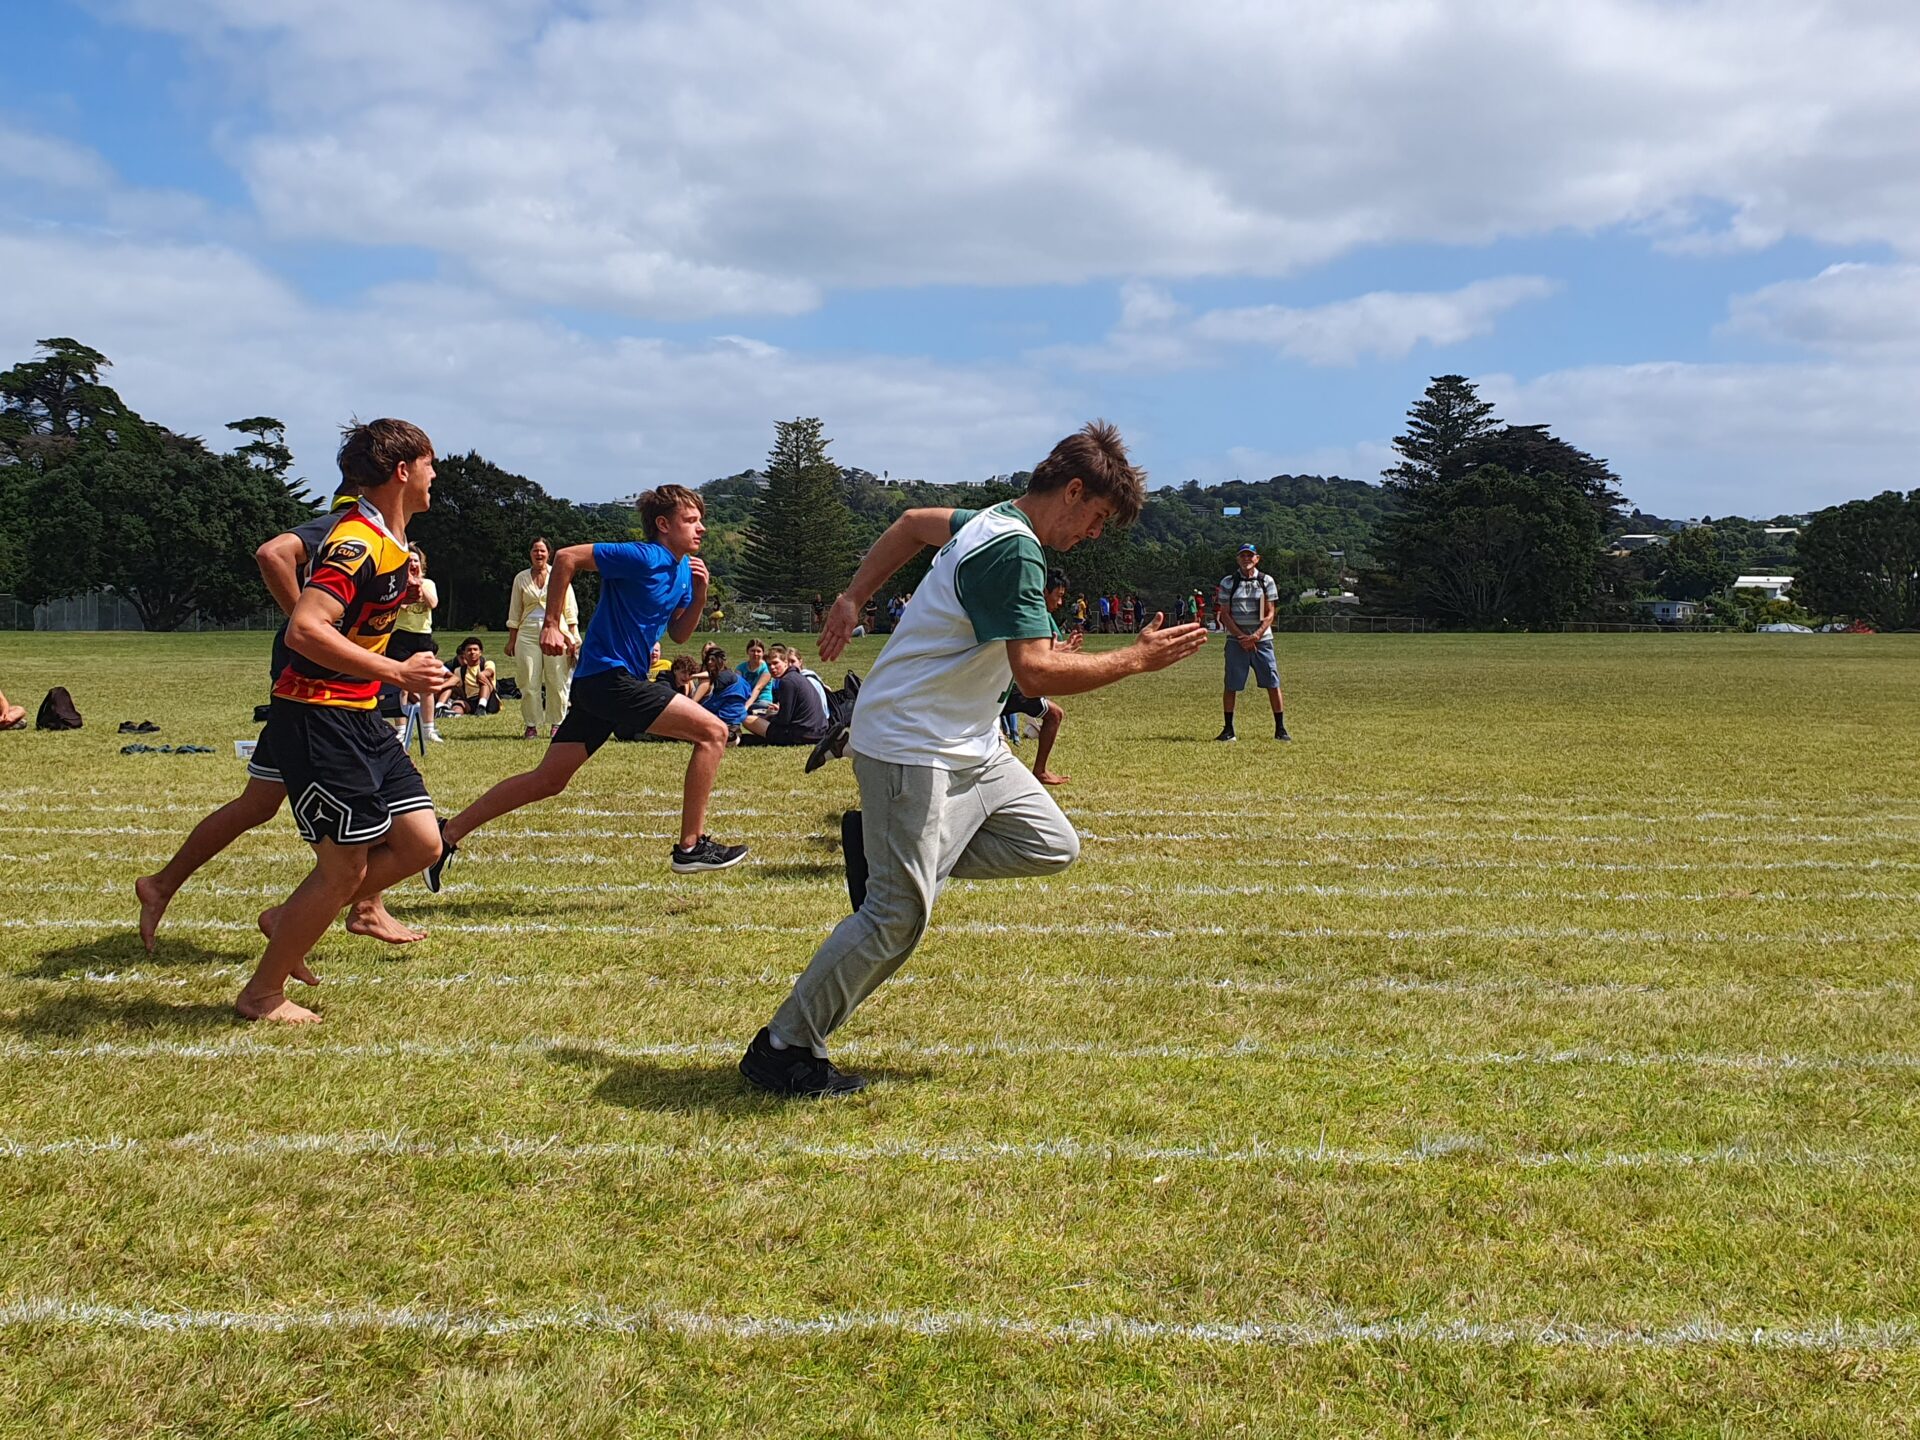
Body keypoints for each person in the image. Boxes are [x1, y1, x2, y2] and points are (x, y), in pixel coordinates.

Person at [739, 420, 1208, 1096]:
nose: (1095, 534)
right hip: (912, 743)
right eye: (1098, 517)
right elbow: (1038, 671)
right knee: (898, 918)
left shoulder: (987, 519)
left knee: (1052, 843)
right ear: (1073, 491)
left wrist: (854, 596)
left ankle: (886, 853)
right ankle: (783, 1047)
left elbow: (908, 524)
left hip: (972, 743)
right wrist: (1136, 659)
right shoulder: (1015, 554)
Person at [134, 477, 421, 954]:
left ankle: (162, 884)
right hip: (319, 690)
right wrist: (311, 622)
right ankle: (339, 911)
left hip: (324, 687)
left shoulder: (384, 533)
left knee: (259, 802)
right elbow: (272, 554)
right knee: (355, 809)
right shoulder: (346, 529)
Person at [426, 485, 747, 886]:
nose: (701, 527)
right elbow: (566, 558)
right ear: (663, 525)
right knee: (715, 732)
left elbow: (680, 634)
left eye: (701, 519)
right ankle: (690, 847)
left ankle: (446, 835)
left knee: (548, 779)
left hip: (608, 683)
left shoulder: (684, 570)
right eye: (691, 520)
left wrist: (699, 593)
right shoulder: (643, 555)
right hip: (608, 678)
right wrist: (550, 624)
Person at [235, 418, 447, 1023]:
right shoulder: (358, 541)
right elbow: (306, 627)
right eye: (431, 465)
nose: (436, 478)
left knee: (420, 842)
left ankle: (291, 919)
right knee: (344, 865)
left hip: (358, 717)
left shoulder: (389, 540)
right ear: (404, 471)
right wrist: (398, 674)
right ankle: (262, 994)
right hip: (319, 718)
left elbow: (349, 618)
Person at [506, 537, 580, 739]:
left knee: (557, 678)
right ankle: (531, 725)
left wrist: (573, 637)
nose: (538, 554)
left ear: (549, 554)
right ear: (530, 553)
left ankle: (557, 723)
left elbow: (569, 609)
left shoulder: (559, 575)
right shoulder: (521, 578)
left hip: (557, 631)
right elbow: (515, 610)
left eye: (542, 551)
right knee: (528, 680)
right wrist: (512, 639)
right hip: (528, 632)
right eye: (535, 550)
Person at [1215, 542, 1290, 743]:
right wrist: (1241, 637)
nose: (1246, 559)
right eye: (1243, 556)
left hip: (1262, 641)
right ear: (1237, 559)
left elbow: (1270, 612)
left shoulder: (1266, 581)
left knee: (1273, 683)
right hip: (1236, 641)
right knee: (1231, 685)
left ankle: (1280, 729)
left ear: (1257, 558)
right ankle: (1228, 729)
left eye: (1250, 556)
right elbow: (1225, 614)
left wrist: (1256, 635)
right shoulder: (1228, 582)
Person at [388, 544, 443, 742]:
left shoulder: (428, 583)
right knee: (400, 684)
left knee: (427, 684)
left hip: (423, 636)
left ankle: (429, 729)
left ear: (422, 564)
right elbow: (400, 605)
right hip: (400, 636)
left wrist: (418, 583)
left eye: (416, 560)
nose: (413, 563)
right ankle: (401, 729)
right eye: (409, 560)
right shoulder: (396, 583)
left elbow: (432, 603)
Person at [740, 648, 829, 746]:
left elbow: (784, 720)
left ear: (785, 662)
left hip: (803, 735)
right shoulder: (797, 677)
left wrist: (767, 718)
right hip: (818, 732)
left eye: (775, 663)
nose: (772, 667)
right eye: (769, 665)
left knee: (747, 720)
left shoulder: (787, 681)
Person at [691, 645, 749, 738]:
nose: (709, 662)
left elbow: (710, 676)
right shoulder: (734, 677)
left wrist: (692, 676)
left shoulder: (722, 677)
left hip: (725, 720)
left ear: (721, 661)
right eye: (708, 659)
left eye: (713, 660)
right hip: (735, 721)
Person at [441, 636, 498, 715]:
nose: (472, 652)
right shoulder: (459, 670)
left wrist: (481, 674)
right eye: (469, 650)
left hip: (489, 700)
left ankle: (482, 706)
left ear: (480, 652)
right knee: (458, 704)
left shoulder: (487, 664)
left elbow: (489, 672)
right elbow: (459, 687)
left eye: (475, 649)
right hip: (471, 700)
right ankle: (449, 712)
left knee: (482, 677)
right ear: (464, 653)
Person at [738, 638, 774, 713]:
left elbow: (758, 688)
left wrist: (746, 706)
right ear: (747, 652)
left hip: (762, 700)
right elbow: (737, 686)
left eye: (758, 651)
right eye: (752, 651)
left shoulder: (766, 669)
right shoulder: (740, 668)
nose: (755, 654)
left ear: (763, 653)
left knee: (757, 707)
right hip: (745, 698)